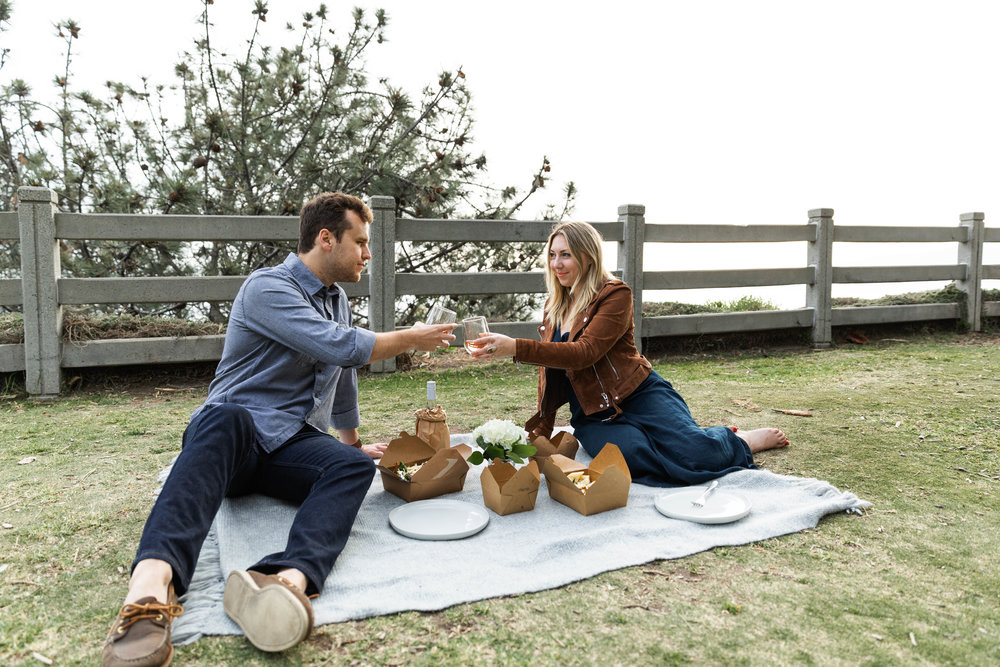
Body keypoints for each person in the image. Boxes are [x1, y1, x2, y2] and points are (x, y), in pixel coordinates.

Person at [102, 192, 456, 667]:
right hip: (234, 439)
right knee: (226, 416)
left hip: (292, 440)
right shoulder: (267, 287)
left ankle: (285, 582)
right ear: (326, 239)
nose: (368, 254)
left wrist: (349, 443)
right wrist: (411, 338)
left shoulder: (337, 304)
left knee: (352, 467)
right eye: (362, 242)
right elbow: (340, 346)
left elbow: (344, 376)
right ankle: (148, 591)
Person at [470, 221, 788, 487]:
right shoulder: (555, 306)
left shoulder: (615, 295)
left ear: (588, 256)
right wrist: (541, 425)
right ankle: (691, 439)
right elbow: (552, 369)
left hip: (640, 393)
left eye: (565, 255)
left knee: (692, 453)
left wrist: (515, 346)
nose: (557, 264)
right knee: (631, 459)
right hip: (594, 414)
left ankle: (739, 440)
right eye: (552, 255)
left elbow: (584, 352)